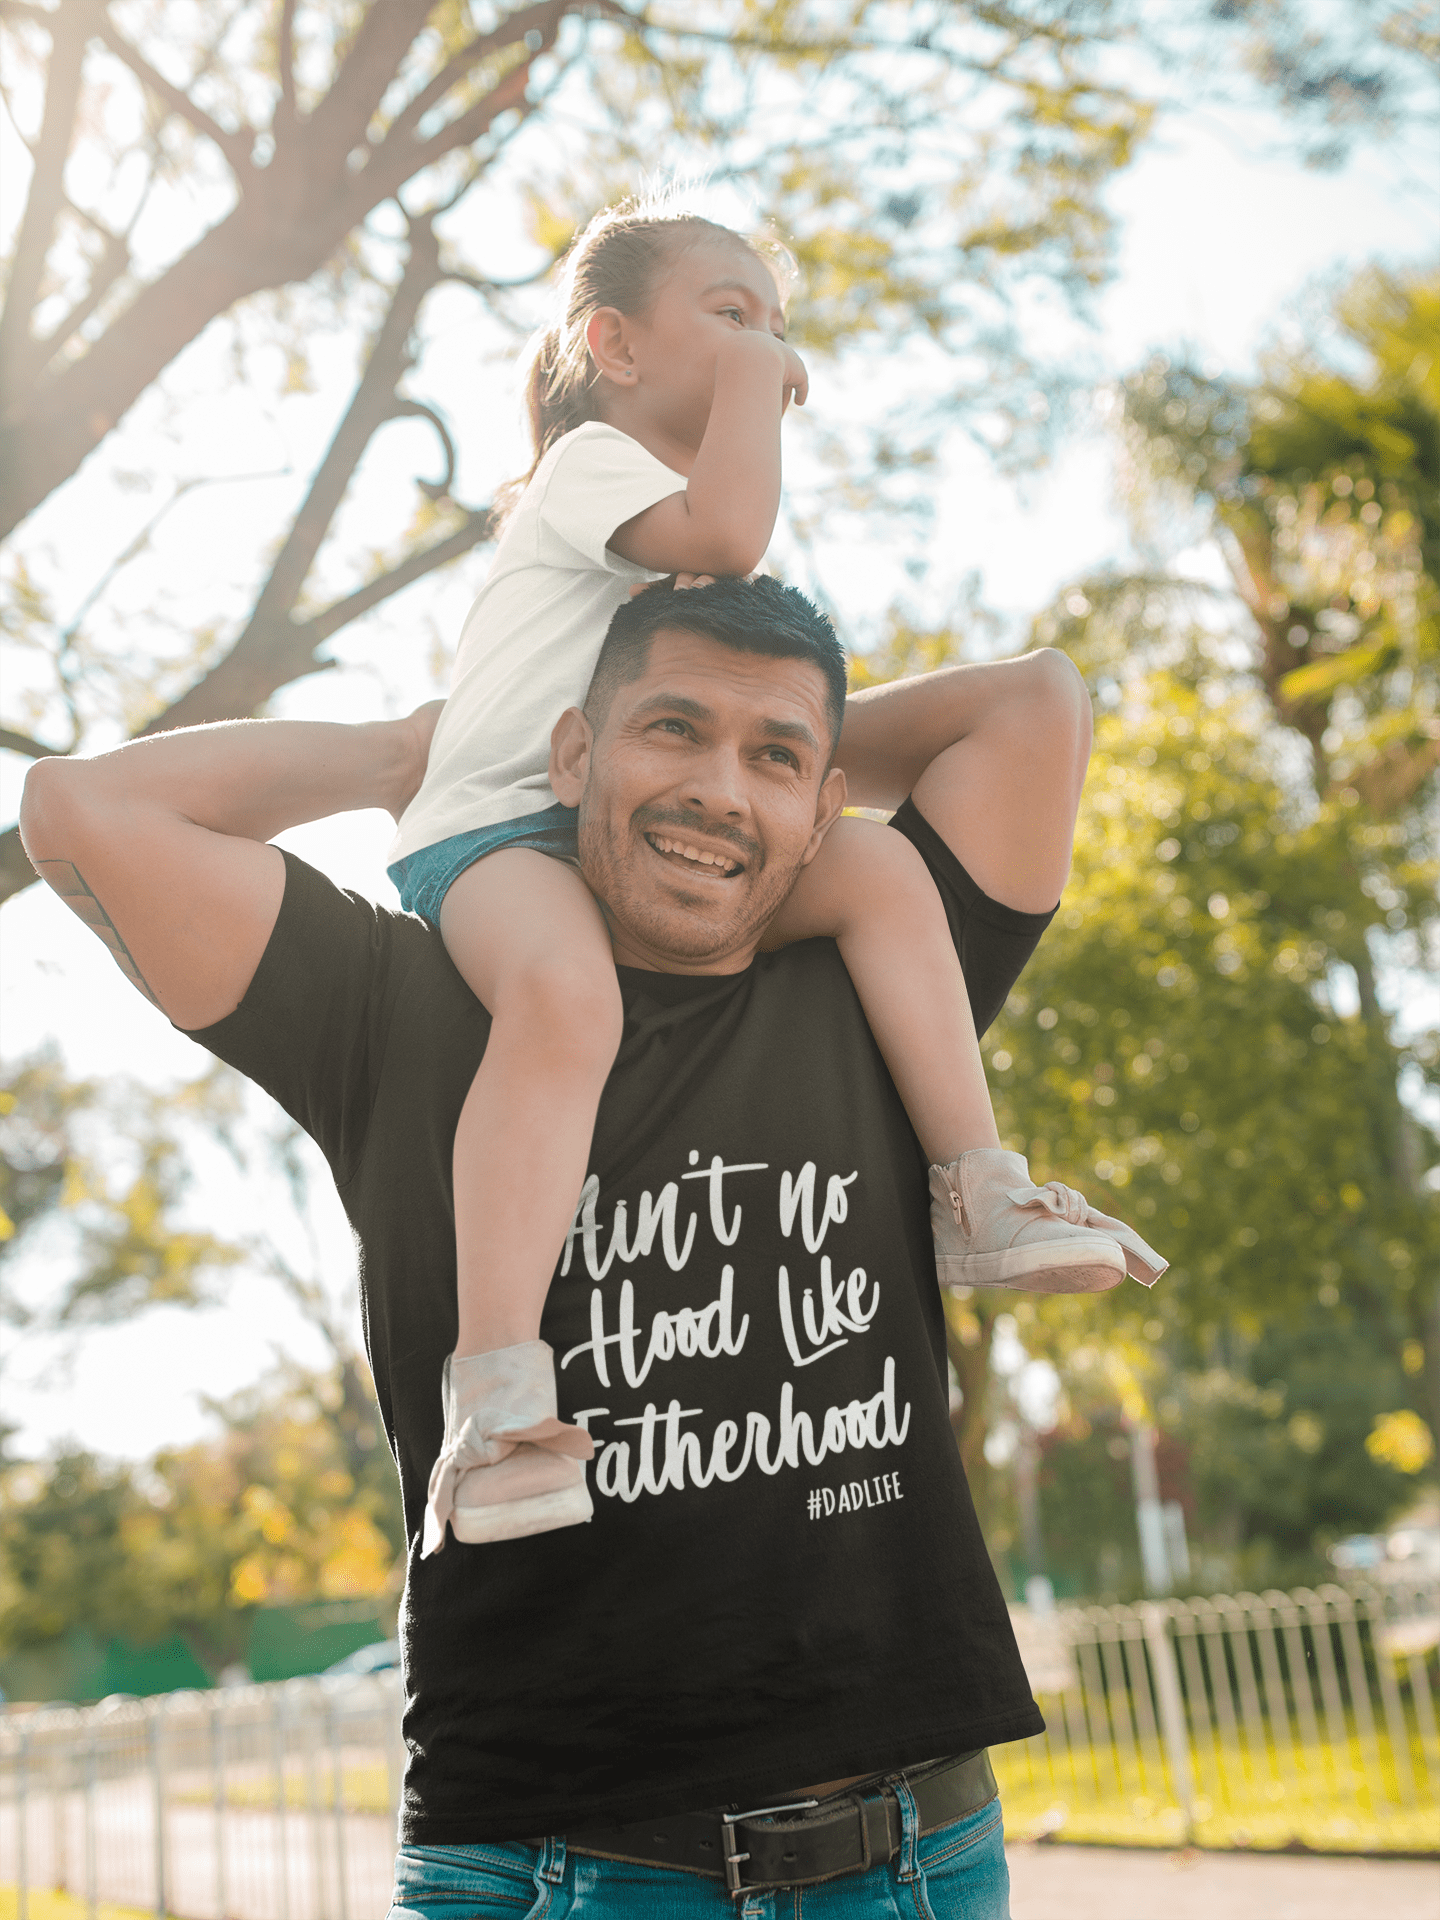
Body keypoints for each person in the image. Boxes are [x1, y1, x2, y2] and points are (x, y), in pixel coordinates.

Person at [22, 573, 1152, 1916]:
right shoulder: (403, 1002)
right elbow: (82, 812)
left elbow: (1033, 705)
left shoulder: (884, 974)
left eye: (775, 759)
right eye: (669, 729)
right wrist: (419, 754)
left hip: (911, 1855)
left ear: (824, 803)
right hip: (549, 1865)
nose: (720, 790)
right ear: (572, 754)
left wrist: (768, 753)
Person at [386, 202, 1164, 1548]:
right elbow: (731, 537)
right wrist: (760, 381)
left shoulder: (668, 534)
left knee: (864, 868)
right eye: (729, 314)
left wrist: (798, 766)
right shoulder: (589, 466)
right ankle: (499, 1397)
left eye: (776, 324)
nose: (767, 347)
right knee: (567, 997)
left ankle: (979, 1186)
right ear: (611, 342)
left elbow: (742, 647)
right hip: (500, 834)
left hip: (618, 827)